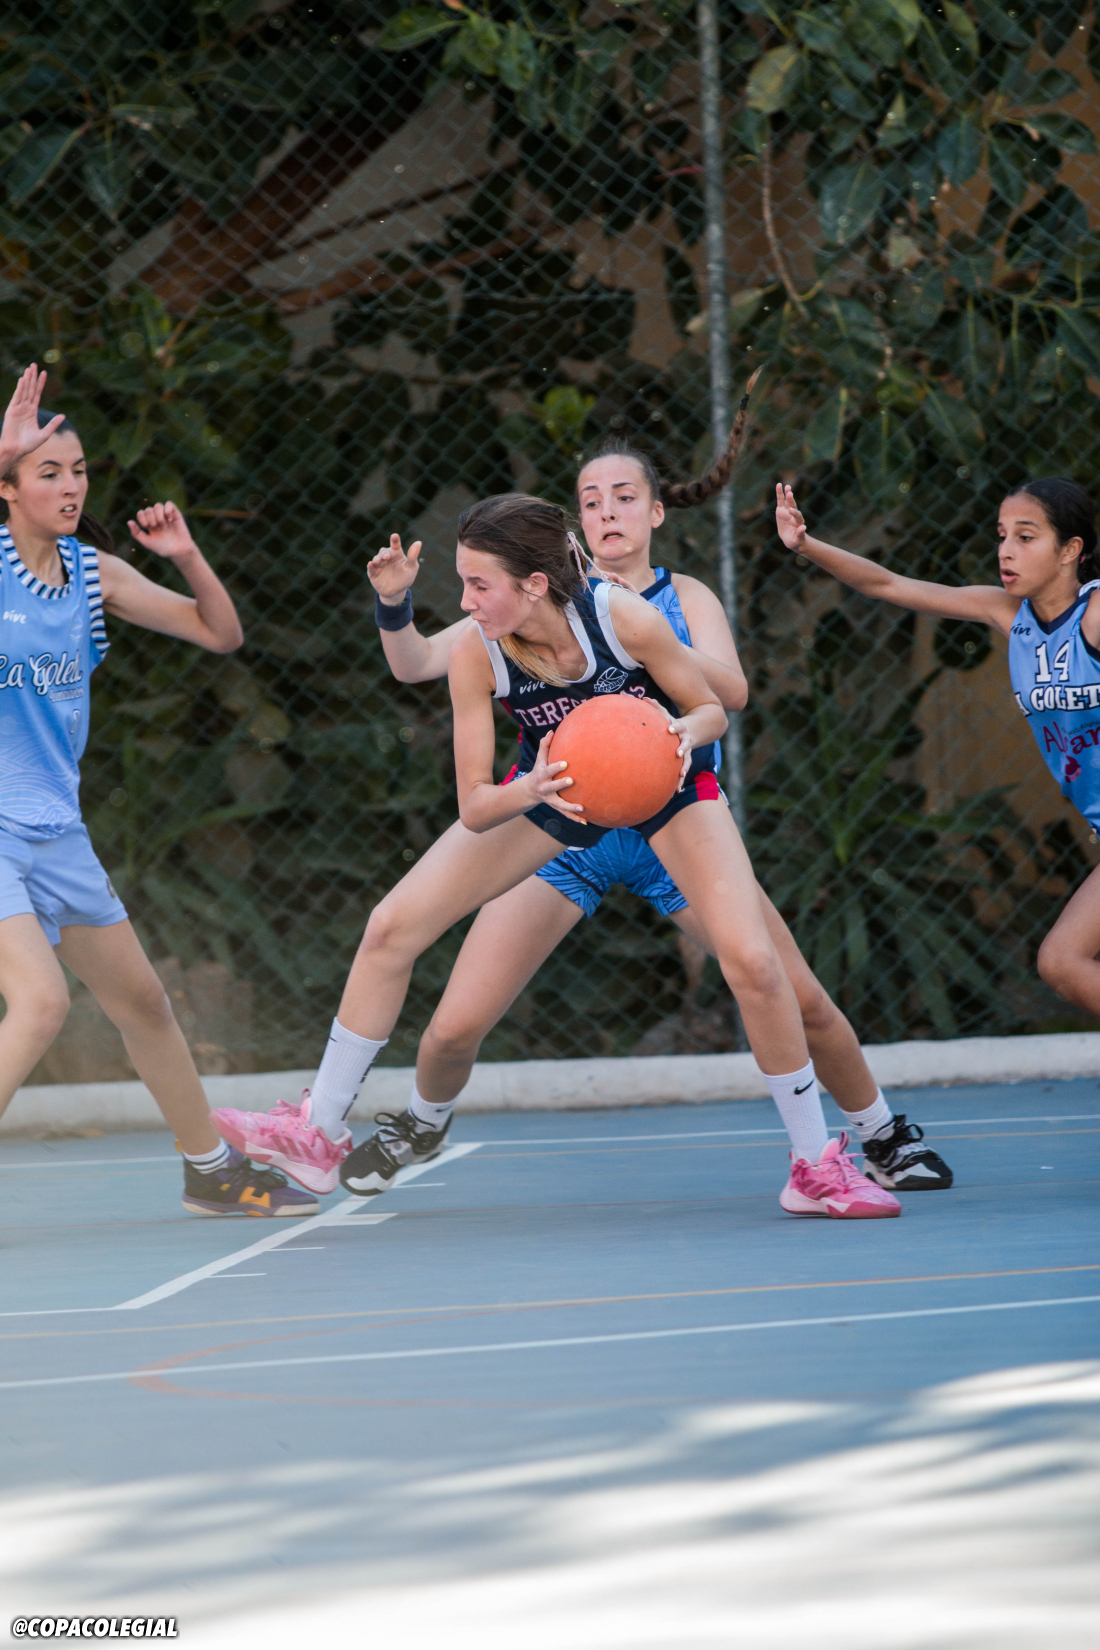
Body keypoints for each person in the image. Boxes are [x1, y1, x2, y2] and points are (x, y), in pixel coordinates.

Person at [214, 490, 900, 1219]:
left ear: (534, 584)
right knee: (390, 927)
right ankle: (318, 1134)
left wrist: (676, 736)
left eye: (479, 585)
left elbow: (711, 708)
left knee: (757, 965)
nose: (465, 602)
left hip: (667, 788)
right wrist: (531, 788)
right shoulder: (477, 652)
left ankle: (814, 1167)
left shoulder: (623, 617)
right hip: (552, 793)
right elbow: (475, 804)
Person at [0, 364, 315, 1217]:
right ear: (9, 487)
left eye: (78, 471)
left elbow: (220, 633)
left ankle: (211, 1170)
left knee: (143, 1002)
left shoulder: (92, 574)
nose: (71, 486)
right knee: (40, 1003)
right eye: (47, 472)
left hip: (55, 830)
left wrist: (186, 557)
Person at [774, 475, 1100, 1033]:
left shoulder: (1094, 615)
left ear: (1070, 550)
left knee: (1062, 960)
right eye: (1002, 535)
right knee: (1062, 963)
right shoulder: (1010, 616)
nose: (1006, 550)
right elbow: (887, 584)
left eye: (1026, 537)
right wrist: (806, 545)